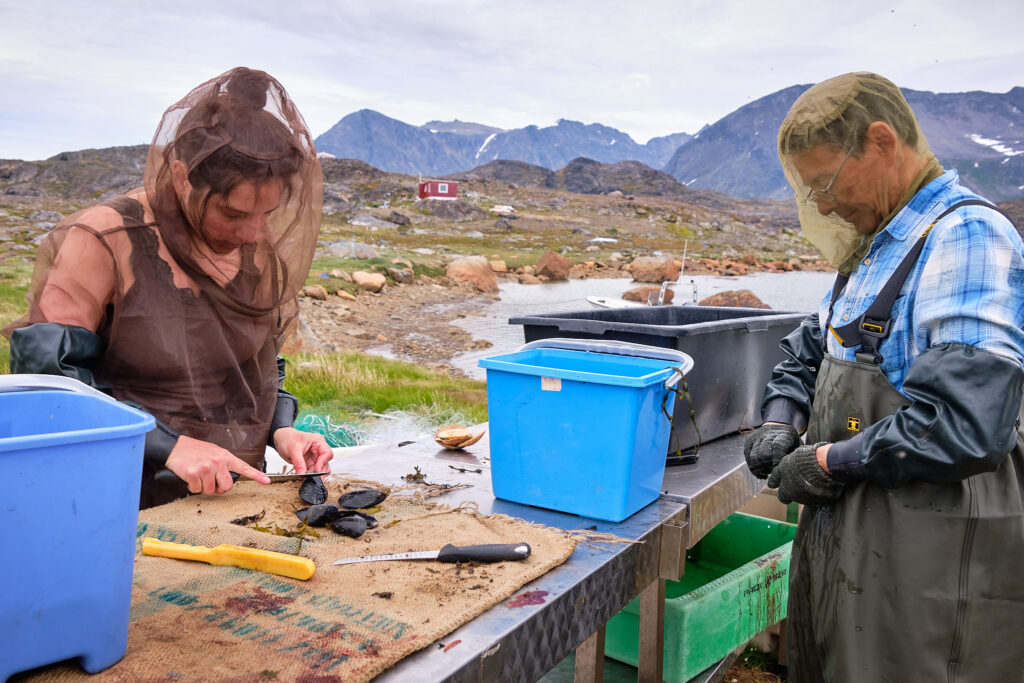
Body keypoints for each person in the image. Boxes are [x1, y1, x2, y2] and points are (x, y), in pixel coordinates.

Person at [743, 72, 1024, 681]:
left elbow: (964, 423)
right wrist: (779, 418)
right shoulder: (875, 248)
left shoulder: (965, 237)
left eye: (825, 182)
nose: (820, 205)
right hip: (852, 551)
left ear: (880, 143)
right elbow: (808, 350)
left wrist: (826, 463)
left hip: (930, 565)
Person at [3, 67, 332, 508]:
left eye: (266, 213)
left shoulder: (255, 249)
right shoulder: (105, 239)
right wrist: (169, 445)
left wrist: (282, 430)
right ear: (182, 177)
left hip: (233, 496)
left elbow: (257, 366)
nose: (253, 232)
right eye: (234, 214)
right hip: (114, 496)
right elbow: (48, 381)